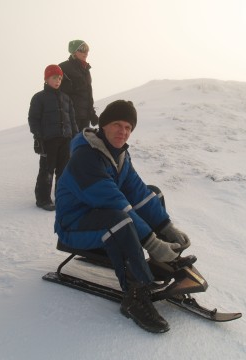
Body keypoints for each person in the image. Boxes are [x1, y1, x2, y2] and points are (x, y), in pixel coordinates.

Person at [54, 100, 191, 333]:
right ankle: (135, 296)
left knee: (153, 193)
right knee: (119, 219)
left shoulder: (119, 155)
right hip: (74, 227)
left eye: (128, 127)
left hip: (100, 217)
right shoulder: (86, 158)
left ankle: (158, 261)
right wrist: (152, 241)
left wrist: (166, 227)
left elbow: (139, 193)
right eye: (117, 124)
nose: (123, 131)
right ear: (103, 125)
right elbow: (113, 202)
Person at [28, 65, 78, 211]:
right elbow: (33, 119)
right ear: (46, 79)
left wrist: (75, 137)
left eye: (60, 78)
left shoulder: (66, 98)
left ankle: (61, 197)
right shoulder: (39, 98)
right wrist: (38, 138)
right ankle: (43, 199)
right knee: (47, 169)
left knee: (63, 171)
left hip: (65, 139)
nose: (58, 81)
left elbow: (72, 120)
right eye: (54, 78)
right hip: (48, 140)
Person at [59, 40, 99, 132]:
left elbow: (88, 93)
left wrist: (91, 113)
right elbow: (57, 90)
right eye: (82, 49)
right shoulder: (64, 67)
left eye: (87, 49)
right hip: (71, 117)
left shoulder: (86, 69)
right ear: (74, 52)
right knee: (72, 144)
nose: (86, 52)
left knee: (83, 144)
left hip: (85, 116)